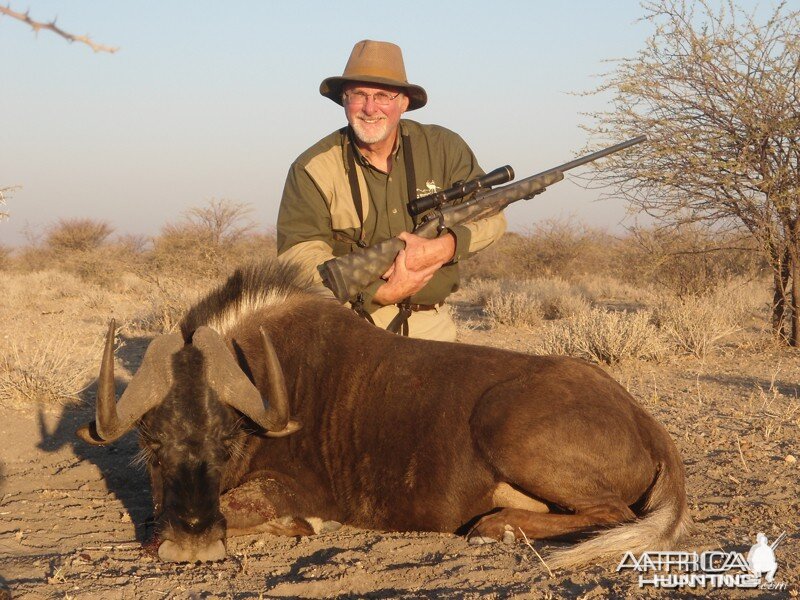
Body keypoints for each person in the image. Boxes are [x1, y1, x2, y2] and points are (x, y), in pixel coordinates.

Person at [277, 40, 506, 341]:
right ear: (344, 101)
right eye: (358, 95)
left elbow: (492, 215)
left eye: (383, 95)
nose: (370, 108)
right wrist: (379, 292)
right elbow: (298, 256)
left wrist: (446, 246)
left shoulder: (444, 148)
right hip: (347, 326)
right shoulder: (312, 167)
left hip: (431, 327)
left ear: (404, 102)